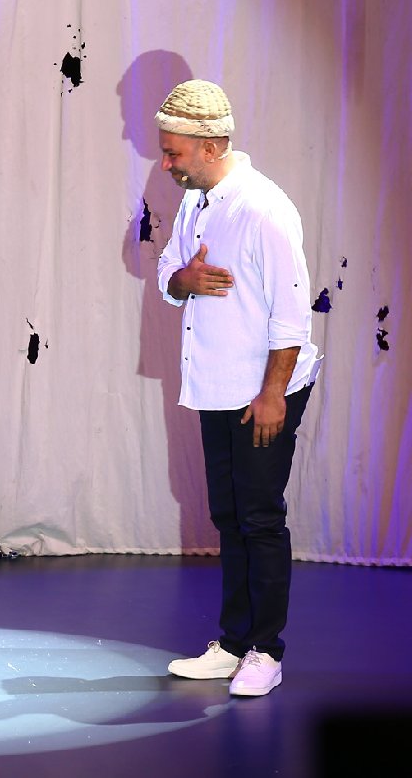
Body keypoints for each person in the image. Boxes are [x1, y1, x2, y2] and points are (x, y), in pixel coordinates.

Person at [154, 80, 319, 697]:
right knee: (228, 516)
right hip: (216, 384)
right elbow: (168, 272)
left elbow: (292, 314)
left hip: (263, 391)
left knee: (259, 517)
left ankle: (265, 652)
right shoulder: (195, 202)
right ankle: (232, 643)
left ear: (211, 146)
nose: (166, 164)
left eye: (173, 153)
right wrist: (185, 279)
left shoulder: (262, 209)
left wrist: (273, 393)